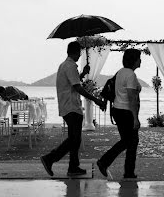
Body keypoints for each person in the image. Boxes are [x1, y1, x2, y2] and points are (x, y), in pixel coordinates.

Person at [40, 41, 106, 177]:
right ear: (76, 52)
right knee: (73, 139)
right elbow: (77, 88)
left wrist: (82, 74)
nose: (80, 55)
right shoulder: (70, 66)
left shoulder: (65, 66)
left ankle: (73, 167)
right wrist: (96, 100)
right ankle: (50, 158)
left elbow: (73, 82)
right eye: (80, 52)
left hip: (69, 106)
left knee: (75, 139)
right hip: (71, 107)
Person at [97, 49, 142, 179]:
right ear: (134, 60)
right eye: (139, 58)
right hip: (126, 112)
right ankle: (105, 162)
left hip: (118, 110)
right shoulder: (130, 75)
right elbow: (131, 98)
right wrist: (135, 119)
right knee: (129, 142)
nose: (140, 61)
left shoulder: (121, 72)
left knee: (129, 142)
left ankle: (128, 172)